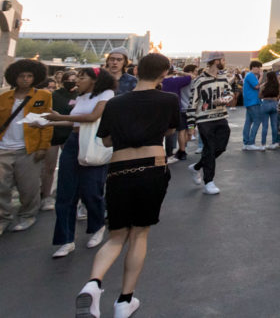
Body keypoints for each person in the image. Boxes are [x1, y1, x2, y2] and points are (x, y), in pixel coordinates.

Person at [74, 52, 179, 318]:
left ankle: (93, 284)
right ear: (164, 73)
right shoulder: (168, 99)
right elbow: (169, 131)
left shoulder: (115, 103)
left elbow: (107, 141)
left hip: (119, 169)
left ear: (137, 69)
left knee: (116, 235)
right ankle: (124, 300)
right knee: (139, 234)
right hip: (151, 167)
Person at [44, 68, 117, 258]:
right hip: (73, 143)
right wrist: (49, 123)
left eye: (82, 78)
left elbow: (93, 117)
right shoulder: (81, 97)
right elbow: (75, 123)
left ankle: (98, 225)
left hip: (92, 143)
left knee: (91, 190)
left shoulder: (107, 94)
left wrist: (60, 117)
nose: (77, 81)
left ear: (95, 80)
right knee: (65, 192)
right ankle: (66, 240)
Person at [0, 59, 54, 235]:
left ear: (35, 77)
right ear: (13, 78)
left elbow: (47, 122)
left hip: (29, 148)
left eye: (29, 76)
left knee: (28, 187)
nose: (25, 79)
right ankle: (3, 217)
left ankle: (28, 215)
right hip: (3, 148)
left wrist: (43, 147)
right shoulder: (3, 97)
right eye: (21, 76)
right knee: (1, 186)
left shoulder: (44, 96)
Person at [188, 52, 234, 196]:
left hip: (221, 117)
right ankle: (209, 182)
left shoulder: (222, 77)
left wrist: (224, 99)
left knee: (220, 148)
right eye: (222, 60)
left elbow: (230, 93)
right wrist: (191, 125)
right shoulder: (199, 80)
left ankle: (196, 167)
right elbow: (192, 103)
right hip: (204, 119)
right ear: (216, 61)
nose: (224, 62)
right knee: (209, 148)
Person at [40, 70, 78, 212]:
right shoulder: (54, 95)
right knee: (49, 167)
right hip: (54, 133)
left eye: (75, 79)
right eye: (69, 79)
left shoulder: (80, 96)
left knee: (70, 167)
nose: (72, 82)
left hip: (70, 134)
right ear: (63, 81)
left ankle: (69, 194)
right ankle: (45, 195)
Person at [241, 61, 265, 151]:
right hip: (253, 101)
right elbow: (256, 87)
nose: (260, 70)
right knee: (257, 121)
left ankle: (246, 143)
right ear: (254, 67)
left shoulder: (249, 75)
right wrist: (262, 77)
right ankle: (251, 143)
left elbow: (256, 86)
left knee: (248, 122)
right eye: (259, 67)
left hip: (250, 101)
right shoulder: (251, 75)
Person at [259, 70, 280, 150]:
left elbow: (260, 95)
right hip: (275, 103)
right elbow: (279, 95)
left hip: (265, 103)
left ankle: (263, 144)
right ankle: (274, 142)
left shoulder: (264, 85)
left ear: (267, 77)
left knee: (265, 126)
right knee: (274, 125)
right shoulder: (278, 85)